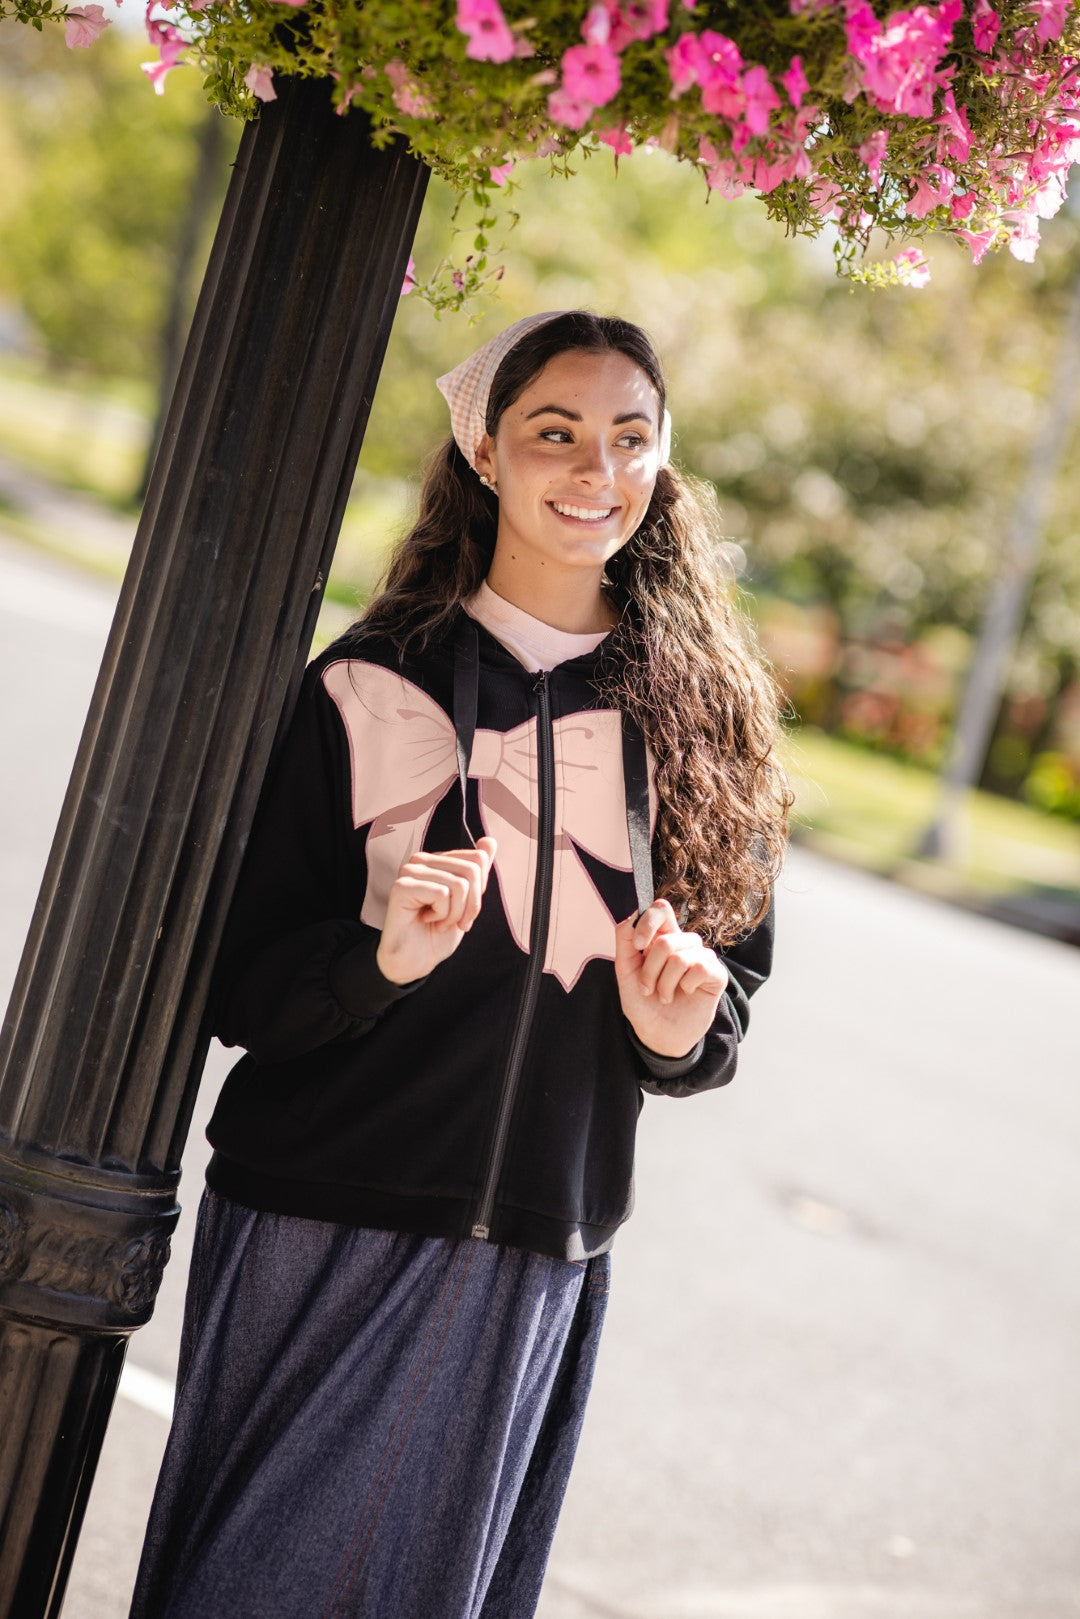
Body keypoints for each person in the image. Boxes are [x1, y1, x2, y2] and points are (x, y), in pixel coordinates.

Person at [128, 309, 792, 1619]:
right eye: (557, 433)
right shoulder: (364, 685)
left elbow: (724, 1006)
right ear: (485, 452)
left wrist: (674, 1030)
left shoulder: (705, 725)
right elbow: (240, 985)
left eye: (631, 438)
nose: (597, 469)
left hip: (538, 1243)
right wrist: (380, 961)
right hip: (318, 1217)